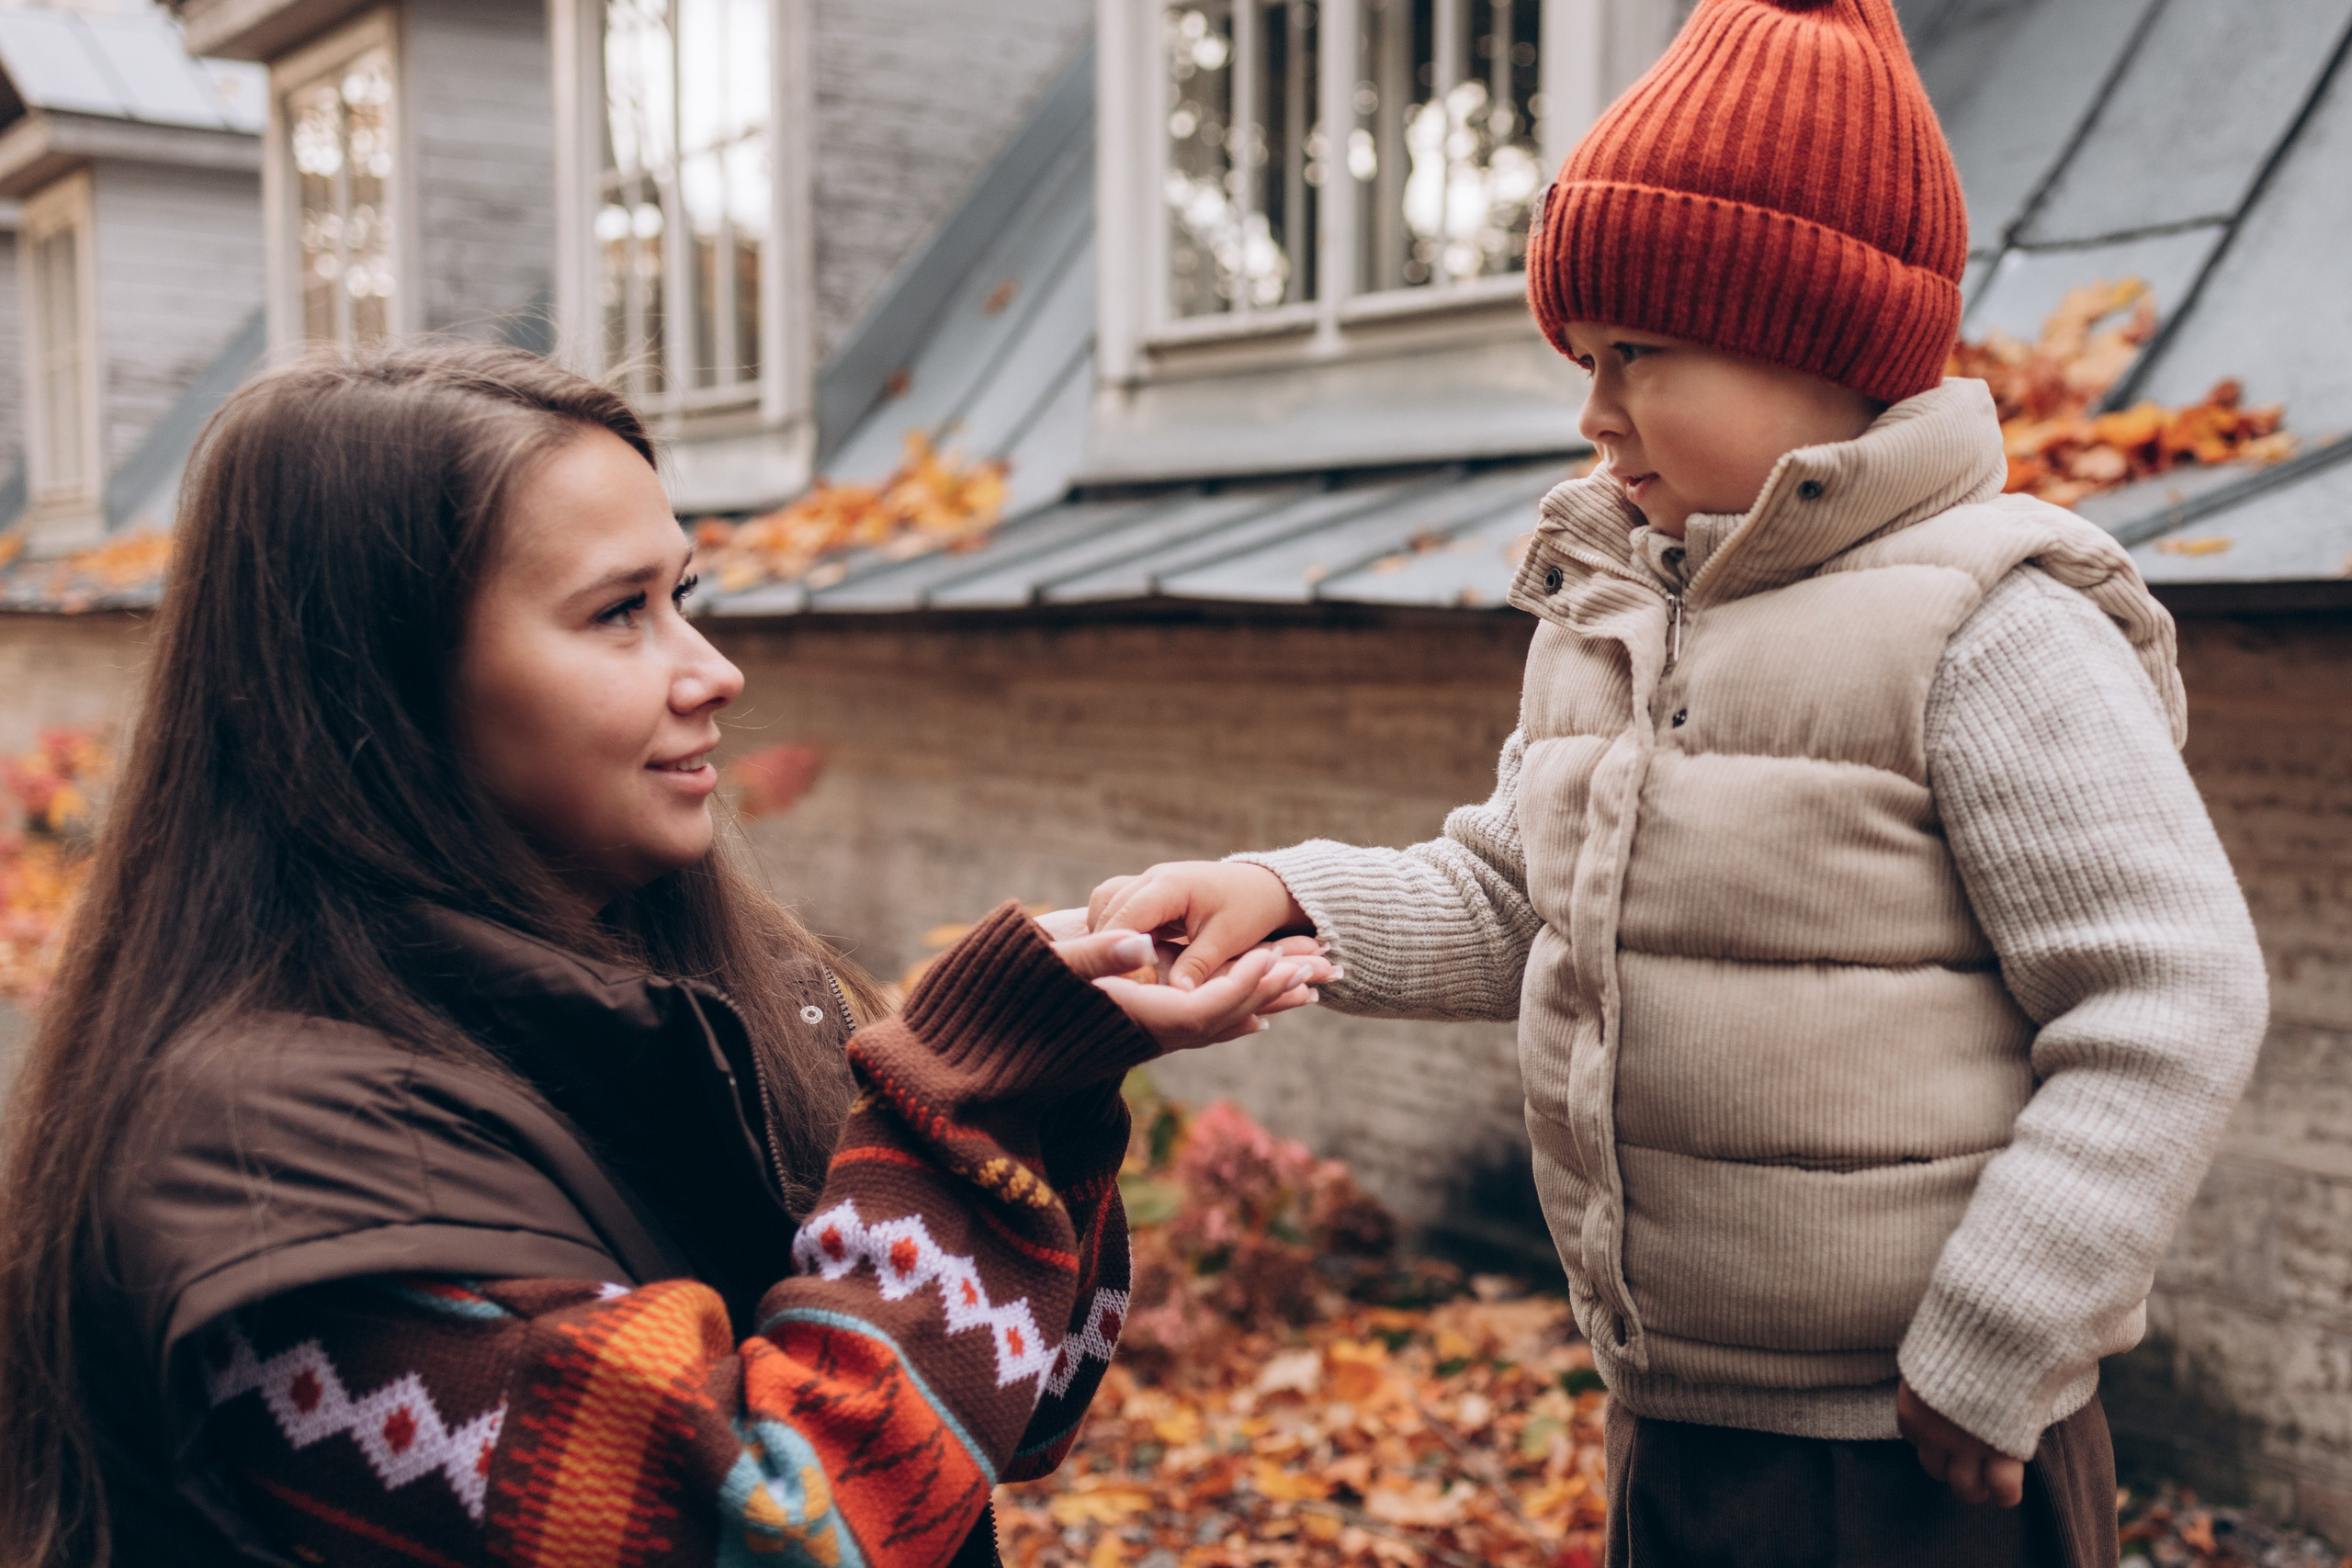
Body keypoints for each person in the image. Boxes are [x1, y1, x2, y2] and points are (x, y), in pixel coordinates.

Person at [1086, 1, 2269, 1562]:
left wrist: (2003, 1334)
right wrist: (1287, 898)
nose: (1592, 413)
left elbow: (2169, 998)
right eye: (1585, 360)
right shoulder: (1617, 611)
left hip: (1915, 1451)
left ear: (1814, 338)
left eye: (1637, 354)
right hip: (1677, 1415)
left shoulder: (1987, 627)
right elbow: (1520, 897)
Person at [0, 344, 1334, 1568]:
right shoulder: (277, 1175)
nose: (714, 672)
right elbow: (787, 1533)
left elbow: (1015, 1417)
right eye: (616, 613)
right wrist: (961, 1098)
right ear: (382, 685)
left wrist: (1040, 1079)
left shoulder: (691, 991)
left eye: (681, 594)